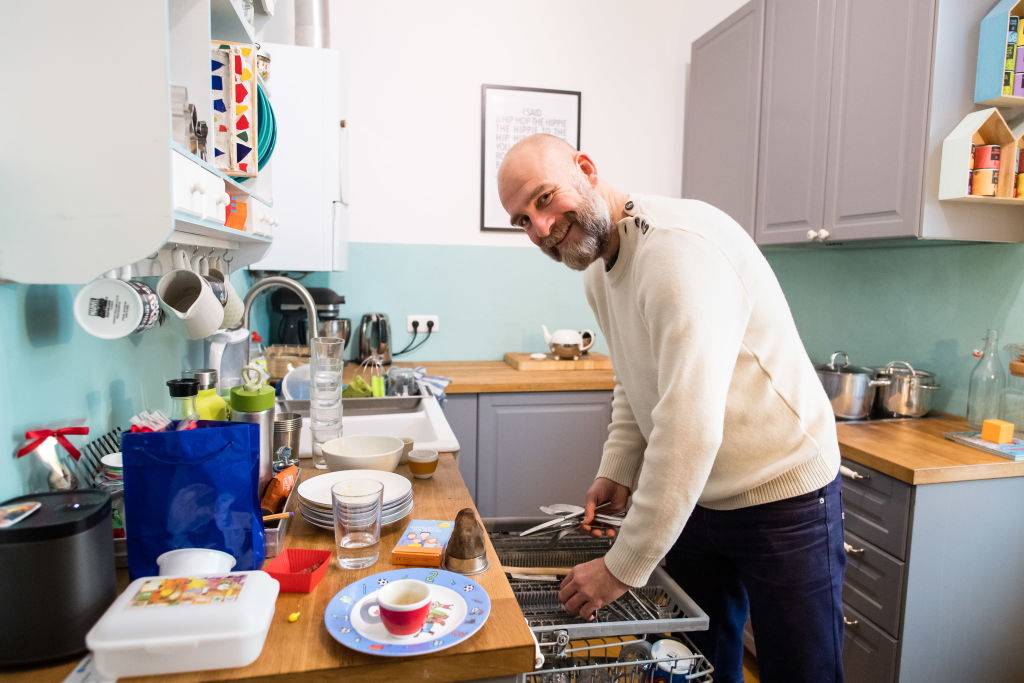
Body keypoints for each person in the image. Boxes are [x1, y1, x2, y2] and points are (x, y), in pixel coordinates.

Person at [496, 134, 846, 683]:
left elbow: (688, 431)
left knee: (803, 671)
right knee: (690, 667)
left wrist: (621, 568)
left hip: (784, 493)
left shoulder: (677, 253)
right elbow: (638, 383)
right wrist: (617, 468)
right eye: (522, 220)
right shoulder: (598, 273)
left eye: (544, 199)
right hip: (698, 496)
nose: (539, 228)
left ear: (586, 169)